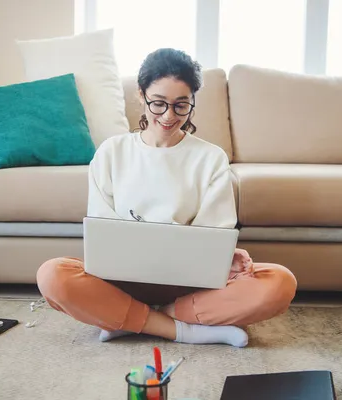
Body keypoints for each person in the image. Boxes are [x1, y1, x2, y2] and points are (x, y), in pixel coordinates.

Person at [36, 48, 297, 347]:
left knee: (280, 282)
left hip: (188, 287)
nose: (169, 116)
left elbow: (213, 235)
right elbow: (103, 232)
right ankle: (182, 329)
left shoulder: (210, 158)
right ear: (141, 95)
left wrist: (225, 257)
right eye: (158, 103)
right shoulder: (112, 152)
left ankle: (133, 320)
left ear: (192, 103)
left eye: (181, 105)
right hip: (121, 283)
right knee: (52, 275)